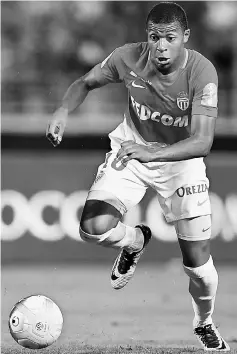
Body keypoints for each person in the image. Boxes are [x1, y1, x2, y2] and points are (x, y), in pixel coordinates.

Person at [46, 2, 230, 351]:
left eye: (170, 38)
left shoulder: (202, 73)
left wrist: (155, 153)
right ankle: (134, 241)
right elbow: (84, 82)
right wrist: (62, 109)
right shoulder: (127, 58)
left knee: (198, 264)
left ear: (185, 38)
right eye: (154, 37)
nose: (161, 46)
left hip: (180, 161)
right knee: (92, 227)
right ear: (146, 38)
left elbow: (202, 142)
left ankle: (204, 322)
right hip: (132, 150)